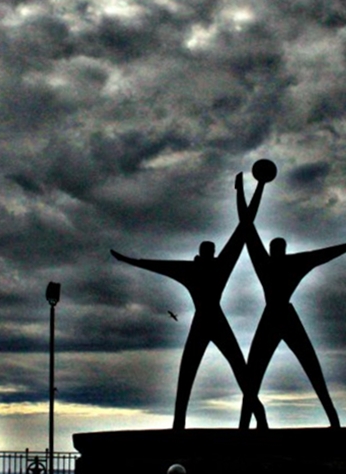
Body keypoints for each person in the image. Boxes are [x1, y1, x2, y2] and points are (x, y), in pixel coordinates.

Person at [110, 172, 268, 430]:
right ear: (207, 253)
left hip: (211, 319)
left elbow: (244, 227)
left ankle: (255, 416)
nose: (207, 254)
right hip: (209, 319)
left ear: (204, 253)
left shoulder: (205, 268)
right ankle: (182, 422)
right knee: (199, 371)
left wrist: (250, 188)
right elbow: (157, 266)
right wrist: (129, 260)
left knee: (231, 370)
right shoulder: (208, 267)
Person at [236, 166, 346, 428]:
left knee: (302, 368)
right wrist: (255, 188)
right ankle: (247, 425)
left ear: (278, 250)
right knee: (255, 374)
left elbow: (249, 227)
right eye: (275, 247)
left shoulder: (275, 263)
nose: (276, 249)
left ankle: (331, 419)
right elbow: (247, 226)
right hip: (277, 315)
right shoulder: (281, 263)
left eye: (277, 247)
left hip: (278, 315)